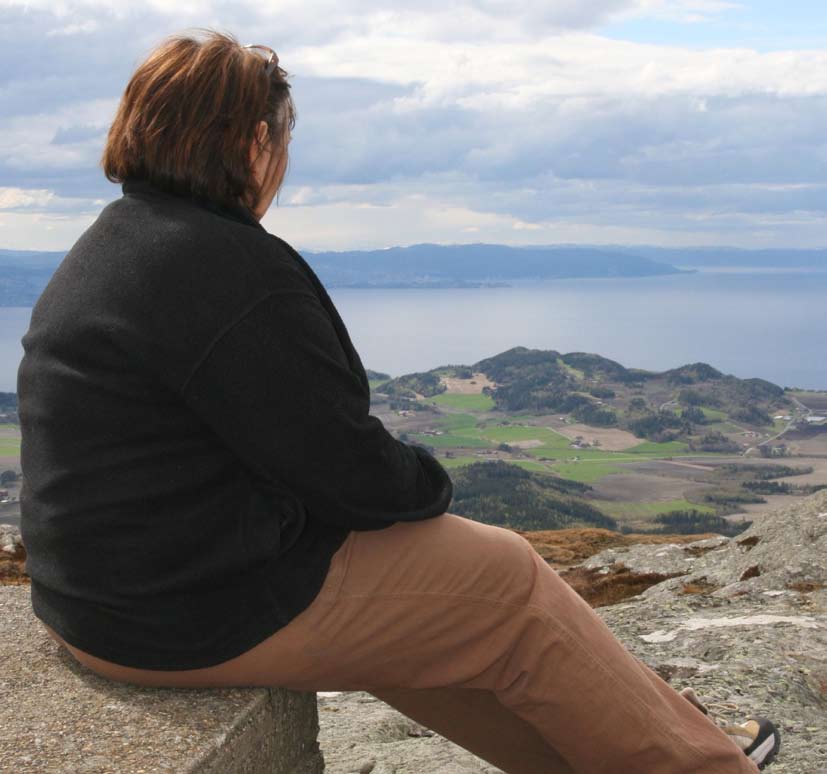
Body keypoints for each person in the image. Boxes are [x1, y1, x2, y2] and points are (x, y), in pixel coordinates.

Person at [17, 30, 780, 773]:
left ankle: (626, 751)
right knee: (502, 577)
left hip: (105, 601)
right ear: (254, 143)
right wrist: (431, 486)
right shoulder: (226, 267)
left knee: (445, 614)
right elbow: (350, 470)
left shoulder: (114, 245)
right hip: (180, 615)